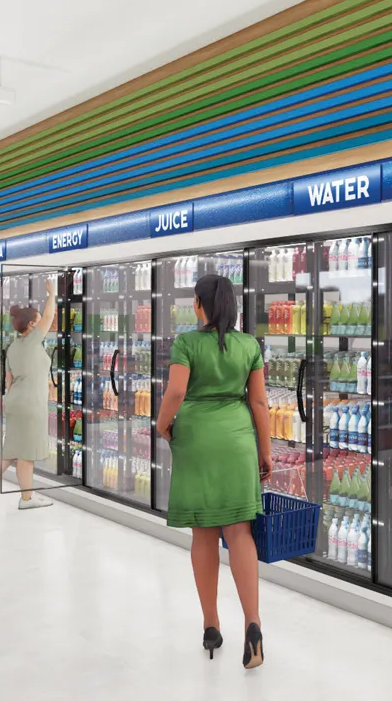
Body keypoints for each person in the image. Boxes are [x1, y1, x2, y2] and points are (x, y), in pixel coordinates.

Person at [155, 273, 272, 669]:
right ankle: (253, 625)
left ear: (200, 305)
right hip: (238, 441)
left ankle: (210, 624)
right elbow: (259, 404)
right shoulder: (249, 345)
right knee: (239, 532)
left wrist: (161, 423)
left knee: (203, 532)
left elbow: (176, 391)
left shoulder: (187, 343)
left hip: (197, 440)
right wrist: (265, 451)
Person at [0, 277, 57, 512]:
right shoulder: (32, 341)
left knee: (12, 451)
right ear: (30, 326)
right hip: (30, 404)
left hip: (16, 401)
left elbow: (9, 380)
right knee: (25, 453)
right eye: (37, 323)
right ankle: (26, 499)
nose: (42, 326)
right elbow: (49, 317)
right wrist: (52, 294)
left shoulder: (13, 346)